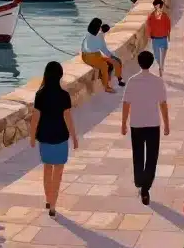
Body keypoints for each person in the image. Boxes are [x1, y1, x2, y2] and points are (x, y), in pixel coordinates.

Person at [121, 51, 170, 205]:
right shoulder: (158, 82)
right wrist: (167, 123)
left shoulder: (132, 81)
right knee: (151, 157)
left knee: (138, 154)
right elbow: (163, 103)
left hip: (136, 124)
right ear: (151, 63)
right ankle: (146, 187)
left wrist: (123, 123)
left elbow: (126, 103)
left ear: (139, 62)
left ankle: (139, 181)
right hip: (153, 124)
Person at [30, 61, 78, 217]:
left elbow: (35, 119)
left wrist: (32, 137)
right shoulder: (64, 95)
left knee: (47, 169)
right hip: (61, 137)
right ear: (60, 75)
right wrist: (74, 137)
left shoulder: (40, 94)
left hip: (44, 137)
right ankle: (53, 206)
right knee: (58, 172)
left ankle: (48, 199)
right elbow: (68, 118)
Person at [81, 18, 124, 93]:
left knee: (114, 62)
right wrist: (110, 56)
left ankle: (117, 79)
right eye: (100, 26)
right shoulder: (94, 36)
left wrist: (110, 56)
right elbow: (101, 49)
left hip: (94, 55)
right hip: (90, 57)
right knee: (104, 66)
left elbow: (101, 48)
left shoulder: (93, 35)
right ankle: (106, 87)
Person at [147, 0, 172, 76]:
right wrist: (169, 36)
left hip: (155, 39)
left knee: (157, 56)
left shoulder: (151, 16)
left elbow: (149, 27)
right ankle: (161, 66)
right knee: (163, 56)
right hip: (164, 38)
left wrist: (149, 36)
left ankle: (160, 66)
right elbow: (169, 26)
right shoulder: (165, 15)